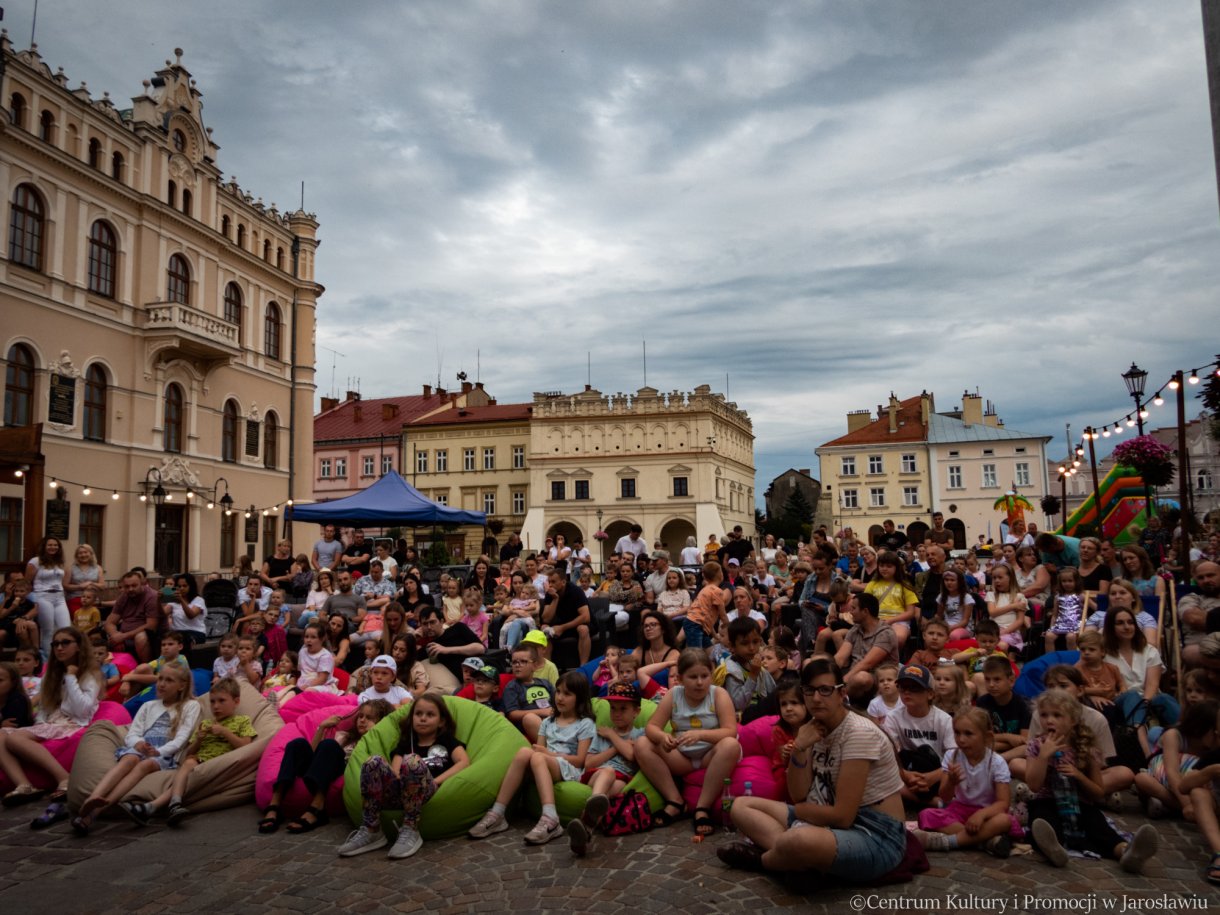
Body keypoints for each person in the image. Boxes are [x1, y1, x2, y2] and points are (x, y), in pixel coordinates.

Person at [719, 658, 908, 883]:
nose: (816, 698)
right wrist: (800, 747)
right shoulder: (813, 728)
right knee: (740, 806)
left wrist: (800, 811)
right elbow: (798, 794)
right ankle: (794, 859)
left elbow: (843, 817)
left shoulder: (859, 733)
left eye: (825, 690)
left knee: (798, 840)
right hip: (820, 816)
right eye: (809, 690)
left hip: (874, 834)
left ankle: (764, 861)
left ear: (841, 693)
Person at [1024, 689, 1158, 873]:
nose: (1049, 720)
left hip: (1080, 804)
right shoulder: (1036, 745)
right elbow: (1033, 785)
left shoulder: (1086, 748)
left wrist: (1079, 776)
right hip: (1047, 800)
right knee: (1043, 819)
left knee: (1097, 826)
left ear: (1072, 720)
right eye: (1044, 715)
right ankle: (1054, 849)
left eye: (1057, 715)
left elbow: (1098, 792)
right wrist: (1043, 756)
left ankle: (1126, 852)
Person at [469, 671, 595, 844]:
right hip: (545, 763)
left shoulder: (585, 723)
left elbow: (580, 760)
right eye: (558, 691)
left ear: (579, 698)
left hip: (569, 768)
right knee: (524, 752)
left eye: (567, 694)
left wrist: (549, 754)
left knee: (538, 757)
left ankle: (551, 819)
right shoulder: (548, 722)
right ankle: (498, 813)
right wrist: (542, 753)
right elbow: (539, 749)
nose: (560, 697)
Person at [71, 665, 199, 833]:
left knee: (145, 765)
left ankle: (95, 812)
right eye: (160, 679)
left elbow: (182, 738)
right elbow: (132, 733)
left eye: (169, 680)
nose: (161, 684)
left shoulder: (191, 705)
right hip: (143, 747)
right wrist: (138, 743)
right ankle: (94, 797)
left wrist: (159, 752)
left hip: (164, 753)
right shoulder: (148, 705)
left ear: (182, 685)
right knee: (129, 759)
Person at [340, 694, 470, 858]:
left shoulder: (446, 740)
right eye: (418, 714)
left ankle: (410, 828)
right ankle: (371, 830)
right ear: (412, 717)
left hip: (429, 789)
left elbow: (464, 762)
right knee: (372, 762)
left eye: (430, 715)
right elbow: (396, 774)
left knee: (412, 761)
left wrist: (435, 781)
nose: (423, 718)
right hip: (403, 792)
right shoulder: (406, 743)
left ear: (441, 721)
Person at [633, 648, 740, 837]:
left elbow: (730, 730)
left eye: (704, 676)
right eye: (693, 677)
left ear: (711, 675)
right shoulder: (673, 694)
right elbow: (652, 727)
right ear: (680, 679)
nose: (700, 682)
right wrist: (662, 737)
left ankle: (702, 807)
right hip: (681, 757)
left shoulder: (718, 694)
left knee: (731, 745)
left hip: (710, 756)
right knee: (642, 743)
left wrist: (701, 735)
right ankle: (675, 801)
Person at [0, 626, 102, 806]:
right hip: (51, 722)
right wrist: (40, 724)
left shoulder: (89, 674)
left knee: (15, 738)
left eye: (65, 643)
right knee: (1, 735)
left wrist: (71, 677)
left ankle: (64, 778)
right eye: (56, 644)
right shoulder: (53, 673)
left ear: (79, 646)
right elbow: (45, 706)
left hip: (72, 722)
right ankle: (24, 785)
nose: (59, 648)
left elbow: (82, 710)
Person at [260, 698, 393, 834]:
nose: (362, 720)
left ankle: (317, 807)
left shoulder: (376, 743)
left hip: (341, 772)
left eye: (369, 718)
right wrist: (322, 727)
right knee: (297, 744)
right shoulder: (345, 737)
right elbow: (313, 753)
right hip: (320, 770)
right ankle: (275, 803)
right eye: (361, 716)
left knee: (329, 745)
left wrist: (373, 734)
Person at [911, 707, 1018, 856]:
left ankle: (950, 842)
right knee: (926, 815)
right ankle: (984, 840)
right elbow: (945, 797)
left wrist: (981, 815)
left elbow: (1003, 803)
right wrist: (951, 782)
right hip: (959, 811)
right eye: (957, 733)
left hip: (988, 814)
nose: (961, 739)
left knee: (1003, 820)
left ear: (987, 737)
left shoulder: (997, 762)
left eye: (968, 734)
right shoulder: (952, 756)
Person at [153, 677, 256, 826]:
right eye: (212, 702)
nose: (216, 706)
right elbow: (189, 752)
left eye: (221, 701)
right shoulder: (205, 723)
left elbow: (246, 746)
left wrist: (225, 732)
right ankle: (162, 805)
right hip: (199, 762)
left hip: (221, 763)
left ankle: (164, 804)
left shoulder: (242, 720)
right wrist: (199, 740)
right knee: (189, 763)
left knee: (188, 765)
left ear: (236, 701)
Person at [566, 681, 645, 856]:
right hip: (596, 775)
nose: (616, 713)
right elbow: (589, 764)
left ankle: (586, 830)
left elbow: (632, 755)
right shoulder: (601, 734)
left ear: (636, 711)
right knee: (608, 772)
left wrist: (613, 736)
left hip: (622, 779)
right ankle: (591, 810)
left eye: (623, 709)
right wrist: (615, 746)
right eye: (613, 708)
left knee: (613, 788)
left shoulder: (640, 734)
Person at [1103, 606, 1180, 752]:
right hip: (1120, 700)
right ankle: (1140, 742)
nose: (1127, 627)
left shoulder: (1149, 650)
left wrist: (1144, 704)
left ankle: (1190, 733)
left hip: (1148, 699)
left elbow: (1152, 685)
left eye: (1130, 622)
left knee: (1164, 698)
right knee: (1131, 695)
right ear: (1110, 627)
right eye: (1120, 623)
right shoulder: (1104, 653)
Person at [1134, 698, 1219, 821]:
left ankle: (1177, 808)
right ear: (1201, 727)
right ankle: (1185, 808)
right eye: (1215, 731)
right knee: (1141, 779)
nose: (1217, 735)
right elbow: (1172, 773)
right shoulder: (1173, 735)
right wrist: (1186, 804)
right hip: (1167, 781)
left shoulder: (1212, 747)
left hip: (1191, 788)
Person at [884, 663, 956, 804]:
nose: (907, 692)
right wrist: (905, 775)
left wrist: (933, 776)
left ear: (930, 694)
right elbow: (889, 754)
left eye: (914, 688)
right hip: (908, 769)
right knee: (882, 772)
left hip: (938, 770)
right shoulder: (893, 717)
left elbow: (955, 757)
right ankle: (933, 802)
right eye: (903, 687)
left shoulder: (943, 719)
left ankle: (922, 799)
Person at [834, 592, 899, 702]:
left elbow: (867, 664)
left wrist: (843, 682)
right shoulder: (855, 629)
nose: (850, 612)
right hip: (853, 675)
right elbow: (840, 657)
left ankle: (837, 698)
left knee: (862, 677)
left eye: (853, 608)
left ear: (865, 611)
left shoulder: (885, 633)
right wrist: (827, 674)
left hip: (878, 680)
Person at [975, 656, 1030, 762]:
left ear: (1011, 681)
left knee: (1027, 747)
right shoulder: (982, 702)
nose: (991, 685)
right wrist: (1008, 737)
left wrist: (996, 741)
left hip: (1015, 754)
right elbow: (983, 736)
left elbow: (1024, 741)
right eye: (987, 679)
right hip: (994, 747)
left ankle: (997, 761)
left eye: (997, 679)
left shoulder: (1024, 704)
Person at [416, 605, 485, 688]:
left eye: (432, 622)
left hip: (481, 673)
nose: (429, 627)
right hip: (459, 684)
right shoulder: (429, 647)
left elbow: (480, 648)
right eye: (425, 624)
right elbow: (409, 660)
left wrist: (446, 649)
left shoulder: (458, 628)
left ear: (441, 621)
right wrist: (414, 638)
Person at [25, 537, 69, 662]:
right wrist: (32, 599)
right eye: (50, 545)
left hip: (59, 597)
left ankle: (65, 656)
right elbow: (27, 582)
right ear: (44, 546)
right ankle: (48, 659)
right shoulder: (35, 561)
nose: (53, 547)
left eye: (55, 545)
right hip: (43, 596)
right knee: (48, 630)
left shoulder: (59, 562)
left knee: (66, 628)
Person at [720, 617, 774, 715]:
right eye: (745, 643)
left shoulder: (757, 667)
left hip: (760, 716)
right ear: (732, 646)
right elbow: (738, 705)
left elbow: (774, 692)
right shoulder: (730, 670)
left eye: (755, 642)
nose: (752, 648)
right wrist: (753, 675)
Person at [502, 643, 555, 742]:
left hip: (552, 720)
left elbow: (557, 702)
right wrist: (542, 712)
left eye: (523, 661)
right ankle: (552, 746)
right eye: (514, 662)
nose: (517, 665)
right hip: (532, 724)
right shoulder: (512, 687)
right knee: (530, 718)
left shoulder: (545, 683)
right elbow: (513, 714)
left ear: (535, 666)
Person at [864, 551, 919, 648]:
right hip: (876, 620)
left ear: (896, 568)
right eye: (881, 566)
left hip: (899, 621)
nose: (884, 569)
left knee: (898, 638)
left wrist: (891, 620)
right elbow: (865, 606)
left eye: (889, 566)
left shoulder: (905, 586)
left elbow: (910, 612)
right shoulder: (872, 584)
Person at [104, 571, 160, 663]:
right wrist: (115, 635)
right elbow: (109, 622)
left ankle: (147, 667)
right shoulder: (123, 597)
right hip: (124, 637)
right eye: (127, 586)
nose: (130, 589)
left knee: (140, 638)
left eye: (134, 585)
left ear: (142, 584)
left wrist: (123, 637)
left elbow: (151, 626)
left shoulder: (152, 596)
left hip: (150, 637)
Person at [1085, 578, 1159, 648]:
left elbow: (1151, 645)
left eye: (1122, 593)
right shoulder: (1098, 615)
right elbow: (1086, 641)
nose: (1117, 596)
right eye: (1113, 594)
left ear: (1133, 598)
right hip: (1103, 652)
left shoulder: (1145, 617)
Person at [541, 569, 592, 666]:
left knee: (583, 629)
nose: (550, 585)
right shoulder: (550, 594)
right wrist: (555, 599)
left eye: (553, 582)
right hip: (561, 623)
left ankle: (583, 667)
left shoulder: (576, 591)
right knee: (544, 628)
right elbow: (546, 619)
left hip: (578, 624)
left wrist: (562, 628)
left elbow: (586, 617)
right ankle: (548, 668)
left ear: (563, 582)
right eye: (549, 582)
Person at [684, 561, 729, 651]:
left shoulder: (705, 589)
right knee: (696, 653)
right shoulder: (717, 591)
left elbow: (707, 617)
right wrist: (729, 627)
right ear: (720, 575)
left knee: (710, 650)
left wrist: (715, 635)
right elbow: (723, 614)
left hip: (697, 624)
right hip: (696, 625)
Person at [164, 573, 207, 651]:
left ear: (191, 586)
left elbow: (191, 615)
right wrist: (158, 600)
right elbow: (162, 614)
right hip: (176, 632)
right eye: (179, 586)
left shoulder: (198, 600)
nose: (181, 588)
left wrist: (181, 600)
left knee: (183, 641)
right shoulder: (173, 601)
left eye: (184, 586)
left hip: (195, 632)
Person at [298, 622, 340, 693]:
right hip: (304, 684)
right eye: (306, 637)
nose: (308, 640)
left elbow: (322, 679)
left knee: (309, 691)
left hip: (323, 685)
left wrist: (306, 686)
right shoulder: (302, 651)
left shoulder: (325, 656)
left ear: (322, 639)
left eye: (313, 637)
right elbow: (301, 671)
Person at [0, 578, 40, 650]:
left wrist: (22, 619)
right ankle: (32, 650)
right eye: (16, 591)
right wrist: (12, 607)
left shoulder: (29, 603)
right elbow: (2, 615)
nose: (18, 593)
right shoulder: (9, 601)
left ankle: (35, 649)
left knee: (26, 627)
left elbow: (33, 613)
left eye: (22, 591)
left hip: (22, 624)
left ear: (27, 592)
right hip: (9, 625)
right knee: (24, 628)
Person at [63, 544, 104, 612]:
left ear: (91, 554)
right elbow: (65, 585)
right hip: (75, 599)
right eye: (80, 553)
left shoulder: (98, 568)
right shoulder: (70, 568)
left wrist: (91, 583)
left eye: (85, 552)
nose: (83, 555)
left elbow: (102, 586)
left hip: (92, 601)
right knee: (78, 618)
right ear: (76, 556)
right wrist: (79, 586)